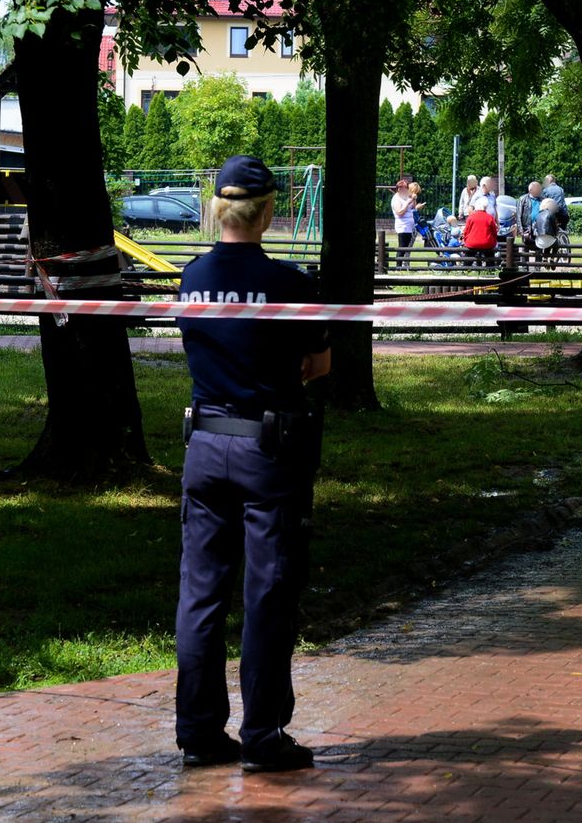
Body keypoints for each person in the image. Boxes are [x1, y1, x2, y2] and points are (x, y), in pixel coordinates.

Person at [175, 154, 330, 773]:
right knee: (267, 593)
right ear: (268, 211)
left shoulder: (190, 278)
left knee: (200, 594)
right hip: (269, 451)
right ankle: (263, 736)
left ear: (218, 208)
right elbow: (318, 367)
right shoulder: (291, 284)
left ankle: (198, 733)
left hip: (205, 447)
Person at [462, 200, 498, 268]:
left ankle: (465, 269)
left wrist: (466, 240)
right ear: (485, 207)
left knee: (468, 257)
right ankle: (490, 270)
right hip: (487, 243)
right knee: (490, 256)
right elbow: (494, 232)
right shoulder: (490, 217)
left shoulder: (471, 217)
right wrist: (493, 241)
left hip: (472, 243)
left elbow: (466, 231)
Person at [517, 180, 544, 265]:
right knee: (525, 248)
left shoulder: (543, 199)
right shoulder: (523, 199)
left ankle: (537, 267)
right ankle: (525, 267)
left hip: (539, 227)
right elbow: (518, 216)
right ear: (531, 190)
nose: (539, 190)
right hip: (526, 228)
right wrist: (521, 231)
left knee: (539, 246)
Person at [390, 179, 416, 267]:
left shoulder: (405, 196)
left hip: (409, 226)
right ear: (399, 189)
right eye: (405, 188)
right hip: (402, 226)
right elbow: (399, 212)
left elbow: (413, 207)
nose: (407, 190)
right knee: (402, 247)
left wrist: (413, 199)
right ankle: (398, 266)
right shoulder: (396, 199)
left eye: (407, 188)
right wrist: (407, 203)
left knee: (406, 247)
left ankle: (402, 265)